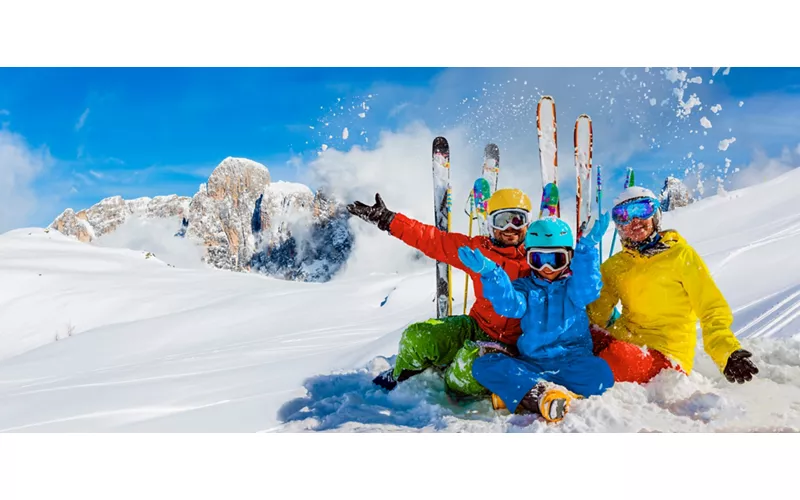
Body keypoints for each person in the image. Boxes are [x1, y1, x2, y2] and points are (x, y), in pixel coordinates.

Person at [346, 189, 534, 395]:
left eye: (517, 220)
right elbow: (433, 240)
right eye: (502, 220)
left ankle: (448, 382)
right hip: (476, 327)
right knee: (417, 336)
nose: (510, 228)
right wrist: (387, 220)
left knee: (467, 372)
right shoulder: (479, 251)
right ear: (490, 223)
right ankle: (404, 374)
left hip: (512, 346)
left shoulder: (541, 258)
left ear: (528, 223)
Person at [587, 186, 759, 385]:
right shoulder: (616, 265)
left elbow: (711, 308)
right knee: (576, 342)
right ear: (618, 226)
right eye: (624, 216)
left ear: (656, 215)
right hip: (623, 341)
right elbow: (596, 314)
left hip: (666, 355)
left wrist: (726, 351)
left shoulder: (680, 255)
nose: (634, 221)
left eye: (642, 210)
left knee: (615, 359)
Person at [457, 213, 615, 422]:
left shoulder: (573, 287)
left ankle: (524, 394)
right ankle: (544, 394)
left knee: (601, 374)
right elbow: (509, 305)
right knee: (484, 365)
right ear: (530, 259)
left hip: (573, 362)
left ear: (568, 258)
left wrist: (586, 250)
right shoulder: (524, 287)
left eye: (556, 259)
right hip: (532, 364)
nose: (547, 268)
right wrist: (491, 273)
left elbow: (588, 290)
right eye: (539, 260)